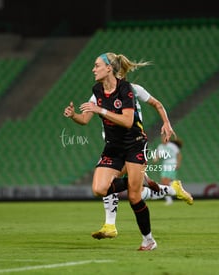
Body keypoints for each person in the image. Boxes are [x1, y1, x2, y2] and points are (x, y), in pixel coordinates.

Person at [64, 52, 160, 250]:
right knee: (99, 189)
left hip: (134, 143)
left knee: (134, 197)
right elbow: (84, 120)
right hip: (113, 147)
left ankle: (148, 240)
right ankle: (136, 180)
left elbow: (127, 121)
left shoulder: (126, 89)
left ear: (109, 68)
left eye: (97, 65)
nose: (93, 69)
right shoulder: (97, 90)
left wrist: (102, 111)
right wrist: (73, 115)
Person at [91, 83, 193, 239]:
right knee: (136, 192)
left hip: (133, 144)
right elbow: (86, 114)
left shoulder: (132, 89)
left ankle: (110, 225)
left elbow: (156, 104)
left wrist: (166, 123)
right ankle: (172, 190)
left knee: (114, 184)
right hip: (113, 146)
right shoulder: (100, 92)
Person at [154, 137, 183, 205]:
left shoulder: (172, 146)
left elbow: (179, 155)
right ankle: (170, 197)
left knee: (166, 181)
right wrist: (156, 159)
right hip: (165, 164)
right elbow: (158, 155)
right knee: (164, 182)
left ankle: (172, 196)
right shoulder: (160, 146)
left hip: (172, 164)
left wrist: (178, 164)